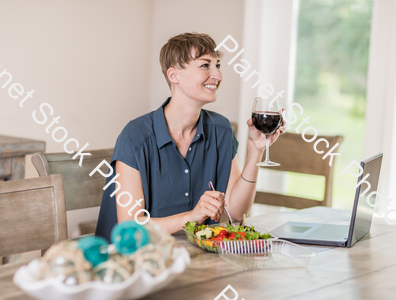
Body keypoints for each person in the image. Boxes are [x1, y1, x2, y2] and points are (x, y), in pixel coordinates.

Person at [95, 32, 286, 241]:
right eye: (205, 65)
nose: (218, 75)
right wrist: (192, 217)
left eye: (217, 65)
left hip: (195, 259)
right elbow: (132, 226)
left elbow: (237, 214)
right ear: (173, 75)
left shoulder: (220, 130)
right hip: (134, 261)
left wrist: (256, 151)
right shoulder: (136, 136)